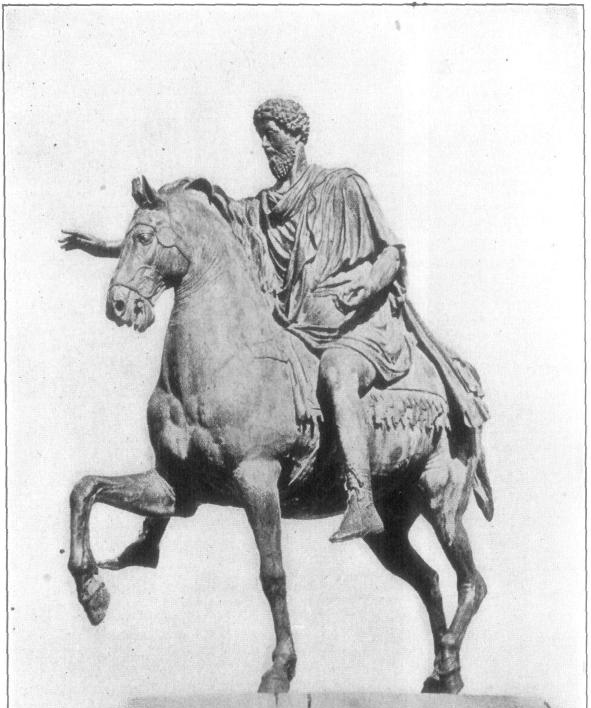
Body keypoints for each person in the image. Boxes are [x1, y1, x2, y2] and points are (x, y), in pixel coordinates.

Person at [60, 99, 413, 542]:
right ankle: (156, 529)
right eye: (261, 136)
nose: (265, 144)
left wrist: (366, 284)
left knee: (337, 372)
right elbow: (183, 229)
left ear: (297, 135)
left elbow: (391, 252)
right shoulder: (262, 208)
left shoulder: (343, 185)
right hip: (297, 323)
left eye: (272, 134)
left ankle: (361, 500)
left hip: (354, 323)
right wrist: (109, 247)